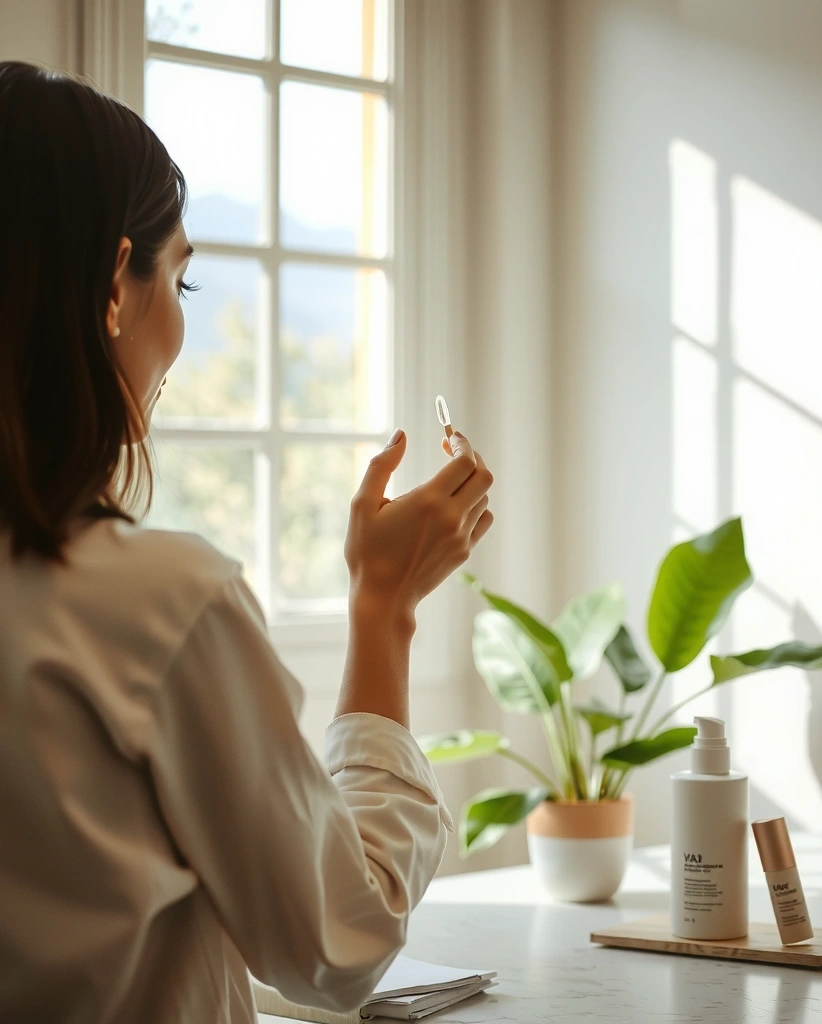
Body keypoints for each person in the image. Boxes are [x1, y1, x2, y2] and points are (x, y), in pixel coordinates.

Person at [0, 61, 494, 1023]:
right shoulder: (152, 604)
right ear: (113, 285)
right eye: (179, 278)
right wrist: (383, 611)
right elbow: (336, 944)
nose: (180, 325)